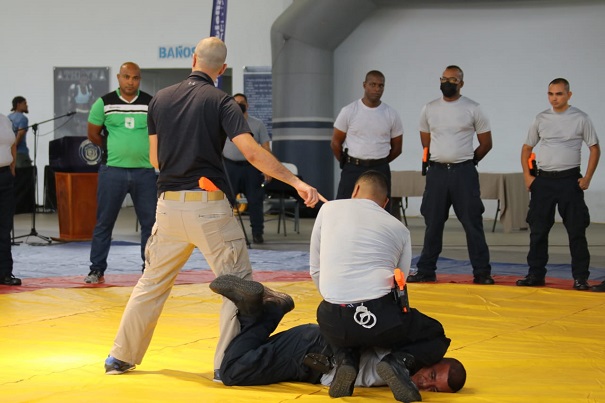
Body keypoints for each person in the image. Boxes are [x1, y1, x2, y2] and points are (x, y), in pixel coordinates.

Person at [104, 37, 324, 380]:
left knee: (151, 283)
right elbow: (252, 153)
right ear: (221, 70)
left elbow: (155, 160)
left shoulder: (159, 100)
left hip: (168, 207)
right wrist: (297, 183)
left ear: (193, 59)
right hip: (207, 207)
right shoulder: (221, 101)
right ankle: (227, 364)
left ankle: (120, 356)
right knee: (238, 287)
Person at [310, 170, 449, 401]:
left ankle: (347, 361)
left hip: (331, 317)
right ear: (385, 203)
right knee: (435, 334)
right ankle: (398, 363)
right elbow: (399, 286)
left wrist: (341, 300)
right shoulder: (400, 229)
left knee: (341, 321)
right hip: (379, 319)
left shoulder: (328, 209)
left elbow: (315, 270)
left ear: (354, 190)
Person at [210, 274, 466, 397]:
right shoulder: (405, 350)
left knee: (246, 356)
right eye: (432, 376)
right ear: (433, 358)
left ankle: (261, 311)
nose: (425, 383)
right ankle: (267, 311)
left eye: (434, 388)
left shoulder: (402, 369)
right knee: (232, 372)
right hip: (315, 352)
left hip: (312, 354)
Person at [407, 65, 494, 285]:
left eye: (453, 80)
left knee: (472, 222)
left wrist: (468, 161)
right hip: (436, 173)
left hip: (464, 173)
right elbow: (425, 140)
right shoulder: (429, 108)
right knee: (433, 223)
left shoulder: (473, 108)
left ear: (461, 83)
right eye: (444, 79)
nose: (447, 83)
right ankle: (426, 270)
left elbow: (486, 144)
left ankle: (481, 272)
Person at [516, 78, 601, 292]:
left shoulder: (580, 118)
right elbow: (526, 148)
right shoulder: (541, 118)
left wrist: (588, 177)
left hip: (569, 181)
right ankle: (535, 274)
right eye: (551, 94)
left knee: (576, 231)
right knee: (538, 231)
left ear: (569, 95)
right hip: (543, 181)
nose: (555, 98)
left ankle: (580, 277)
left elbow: (594, 148)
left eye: (559, 94)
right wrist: (528, 177)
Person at [84, 62, 157, 284]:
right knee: (104, 222)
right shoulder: (103, 103)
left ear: (139, 79)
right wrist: (113, 148)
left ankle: (149, 269)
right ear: (118, 77)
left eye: (135, 78)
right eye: (126, 77)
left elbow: (159, 134)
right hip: (112, 171)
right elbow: (93, 134)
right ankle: (96, 269)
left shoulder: (150, 103)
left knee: (150, 224)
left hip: (145, 172)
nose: (130, 82)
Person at [331, 70, 403, 213]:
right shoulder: (349, 111)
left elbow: (397, 148)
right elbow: (335, 143)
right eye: (373, 84)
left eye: (381, 86)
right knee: (343, 208)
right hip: (353, 167)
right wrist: (346, 162)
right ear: (364, 85)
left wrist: (380, 160)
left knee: (381, 211)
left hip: (380, 168)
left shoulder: (391, 114)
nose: (377, 89)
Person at [223, 93, 271, 244]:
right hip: (229, 166)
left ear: (247, 105)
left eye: (241, 103)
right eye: (235, 102)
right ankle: (227, 234)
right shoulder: (225, 122)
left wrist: (267, 168)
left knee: (255, 201)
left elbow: (265, 147)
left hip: (251, 167)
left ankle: (257, 233)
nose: (239, 105)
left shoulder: (257, 124)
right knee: (226, 202)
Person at [0, 113, 21, 286]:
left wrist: (12, 165)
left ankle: (5, 272)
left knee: (4, 226)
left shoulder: (4, 119)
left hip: (4, 176)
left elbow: (12, 143)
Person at [8, 96, 32, 168]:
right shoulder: (23, 118)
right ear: (18, 104)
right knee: (25, 177)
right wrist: (14, 149)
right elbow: (20, 133)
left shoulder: (8, 117)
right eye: (24, 103)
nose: (26, 105)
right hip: (20, 154)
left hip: (8, 154)